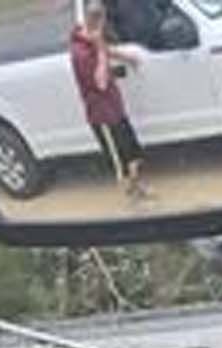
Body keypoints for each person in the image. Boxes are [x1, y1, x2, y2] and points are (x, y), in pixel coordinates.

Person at [69, 2, 150, 202]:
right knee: (120, 163)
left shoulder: (90, 37)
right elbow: (101, 82)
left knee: (133, 154)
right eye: (103, 22)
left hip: (116, 110)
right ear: (97, 22)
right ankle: (129, 200)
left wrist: (126, 57)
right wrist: (100, 49)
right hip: (103, 117)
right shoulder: (80, 54)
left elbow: (106, 49)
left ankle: (137, 189)